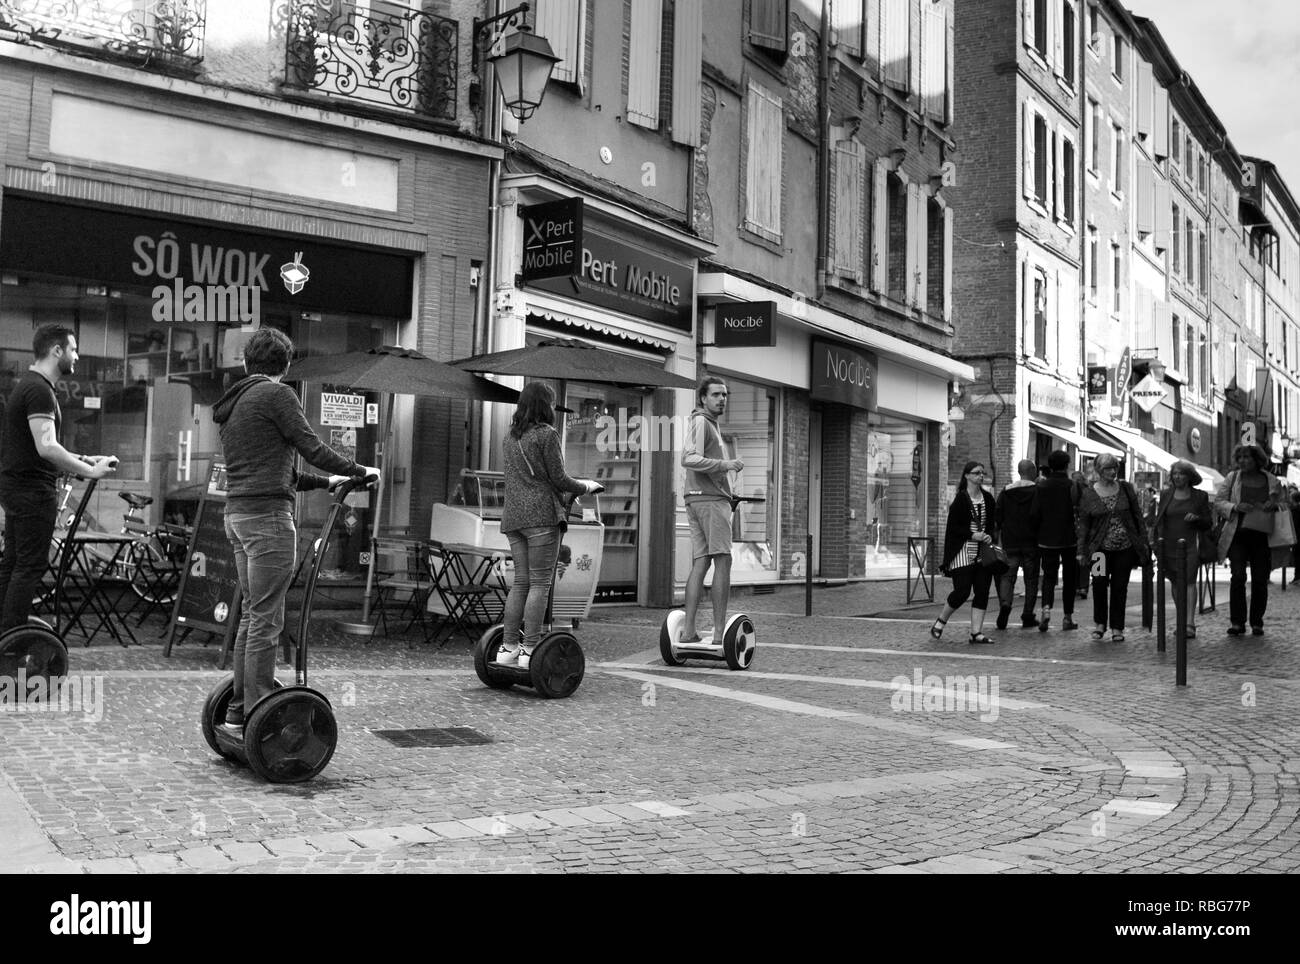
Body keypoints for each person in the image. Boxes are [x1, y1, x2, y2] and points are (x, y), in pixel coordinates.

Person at [211, 327, 377, 737]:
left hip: (238, 516)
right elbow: (312, 446)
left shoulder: (235, 403)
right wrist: (359, 471)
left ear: (249, 362)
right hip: (268, 520)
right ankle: (260, 710)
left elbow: (278, 470)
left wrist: (325, 484)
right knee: (266, 619)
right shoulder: (278, 395)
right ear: (285, 365)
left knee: (253, 615)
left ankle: (238, 709)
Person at [0, 324, 117, 631]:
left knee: (13, 564)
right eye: (73, 349)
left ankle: (5, 635)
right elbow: (46, 447)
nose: (76, 355)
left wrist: (81, 459)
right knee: (29, 566)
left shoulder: (28, 386)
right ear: (56, 351)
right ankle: (12, 645)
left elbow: (40, 446)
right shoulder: (38, 390)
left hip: (18, 487)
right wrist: (90, 471)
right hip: (31, 493)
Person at [496, 382, 598, 668]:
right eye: (552, 403)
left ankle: (508, 648)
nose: (554, 409)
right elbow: (560, 479)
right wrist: (587, 486)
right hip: (541, 516)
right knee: (540, 584)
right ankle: (530, 650)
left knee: (521, 583)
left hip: (514, 518)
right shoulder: (546, 435)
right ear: (544, 405)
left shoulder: (510, 436)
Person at [681, 377, 745, 644]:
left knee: (702, 562)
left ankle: (688, 631)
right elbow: (688, 458)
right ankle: (719, 634)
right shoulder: (702, 422)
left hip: (699, 499)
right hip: (708, 501)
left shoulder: (708, 425)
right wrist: (726, 464)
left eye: (725, 394)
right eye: (716, 394)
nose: (722, 399)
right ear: (703, 398)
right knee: (723, 560)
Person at [1214, 443, 1286, 636]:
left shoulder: (1271, 480)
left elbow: (1283, 504)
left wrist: (1273, 505)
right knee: (1237, 576)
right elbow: (1219, 502)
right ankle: (1237, 622)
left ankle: (1257, 622)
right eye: (1240, 458)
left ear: (1257, 460)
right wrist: (1235, 507)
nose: (1243, 461)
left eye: (1247, 457)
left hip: (1262, 536)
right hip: (1237, 534)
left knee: (1260, 579)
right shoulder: (1233, 478)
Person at [1076, 453, 1148, 642]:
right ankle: (1100, 624)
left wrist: (1144, 542)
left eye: (1115, 468)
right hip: (1099, 550)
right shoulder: (1089, 493)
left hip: (1125, 548)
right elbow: (1083, 523)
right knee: (1099, 584)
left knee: (1120, 587)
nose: (1112, 472)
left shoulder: (1125, 488)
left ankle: (1117, 627)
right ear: (1099, 470)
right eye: (1108, 468)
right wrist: (1081, 550)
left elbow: (1138, 516)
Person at [931, 460, 998, 644]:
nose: (980, 476)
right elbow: (953, 529)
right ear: (967, 475)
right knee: (962, 591)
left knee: (982, 591)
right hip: (962, 552)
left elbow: (992, 525)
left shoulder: (988, 499)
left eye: (982, 473)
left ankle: (976, 633)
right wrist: (972, 535)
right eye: (976, 473)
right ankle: (941, 621)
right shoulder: (961, 499)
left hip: (983, 553)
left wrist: (989, 536)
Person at [1151, 460, 1213, 639]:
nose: (1177, 476)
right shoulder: (1166, 494)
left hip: (1190, 544)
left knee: (1189, 581)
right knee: (1176, 582)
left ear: (1189, 476)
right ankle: (1181, 619)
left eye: (1181, 473)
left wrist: (1197, 518)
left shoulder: (1199, 496)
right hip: (1169, 544)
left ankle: (1189, 623)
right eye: (1175, 473)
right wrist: (1156, 542)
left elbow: (1208, 522)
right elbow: (1160, 519)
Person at [1030, 449, 1080, 632]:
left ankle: (1046, 611)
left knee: (1049, 577)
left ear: (1050, 466)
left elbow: (1034, 513)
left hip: (1046, 539)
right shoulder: (1072, 486)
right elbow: (1079, 511)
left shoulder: (1041, 487)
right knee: (1069, 578)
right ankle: (1067, 617)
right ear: (1066, 466)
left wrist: (1038, 533)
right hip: (1069, 539)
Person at [994, 459, 1041, 630]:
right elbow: (1040, 516)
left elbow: (997, 517)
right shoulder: (1037, 491)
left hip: (1010, 542)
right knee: (1031, 580)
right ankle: (1028, 615)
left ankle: (1005, 604)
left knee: (1007, 577)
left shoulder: (1006, 492)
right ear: (1033, 471)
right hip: (1031, 543)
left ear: (1019, 471)